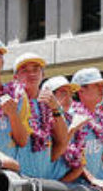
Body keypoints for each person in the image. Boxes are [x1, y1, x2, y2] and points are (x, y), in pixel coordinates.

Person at [9, 52, 68, 180]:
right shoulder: (12, 102)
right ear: (15, 77)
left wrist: (56, 108)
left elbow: (63, 141)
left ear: (43, 75)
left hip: (43, 181)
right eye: (25, 70)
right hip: (18, 181)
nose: (32, 74)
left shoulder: (49, 102)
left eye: (36, 69)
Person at [61, 67, 103, 191]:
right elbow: (67, 153)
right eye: (97, 85)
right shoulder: (70, 115)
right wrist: (92, 179)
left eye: (102, 85)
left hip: (94, 189)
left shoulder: (102, 120)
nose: (101, 89)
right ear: (81, 90)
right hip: (70, 188)